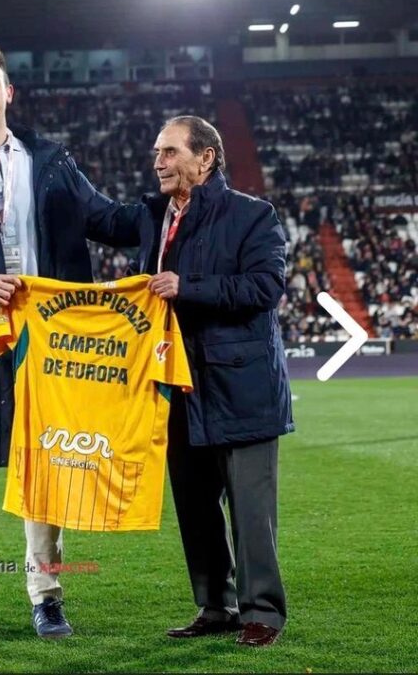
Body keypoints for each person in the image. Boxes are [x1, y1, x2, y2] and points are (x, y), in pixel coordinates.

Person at [0, 45, 146, 640]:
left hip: (45, 342)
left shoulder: (52, 162)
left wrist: (172, 204)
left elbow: (110, 220)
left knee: (46, 468)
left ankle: (47, 594)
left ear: (8, 92)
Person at [143, 115, 294, 648]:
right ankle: (216, 606)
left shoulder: (253, 215)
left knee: (251, 512)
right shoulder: (159, 218)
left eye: (169, 152)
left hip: (243, 388)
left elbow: (265, 287)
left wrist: (188, 286)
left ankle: (262, 613)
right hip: (182, 388)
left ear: (205, 158)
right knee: (195, 506)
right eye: (156, 153)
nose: (158, 162)